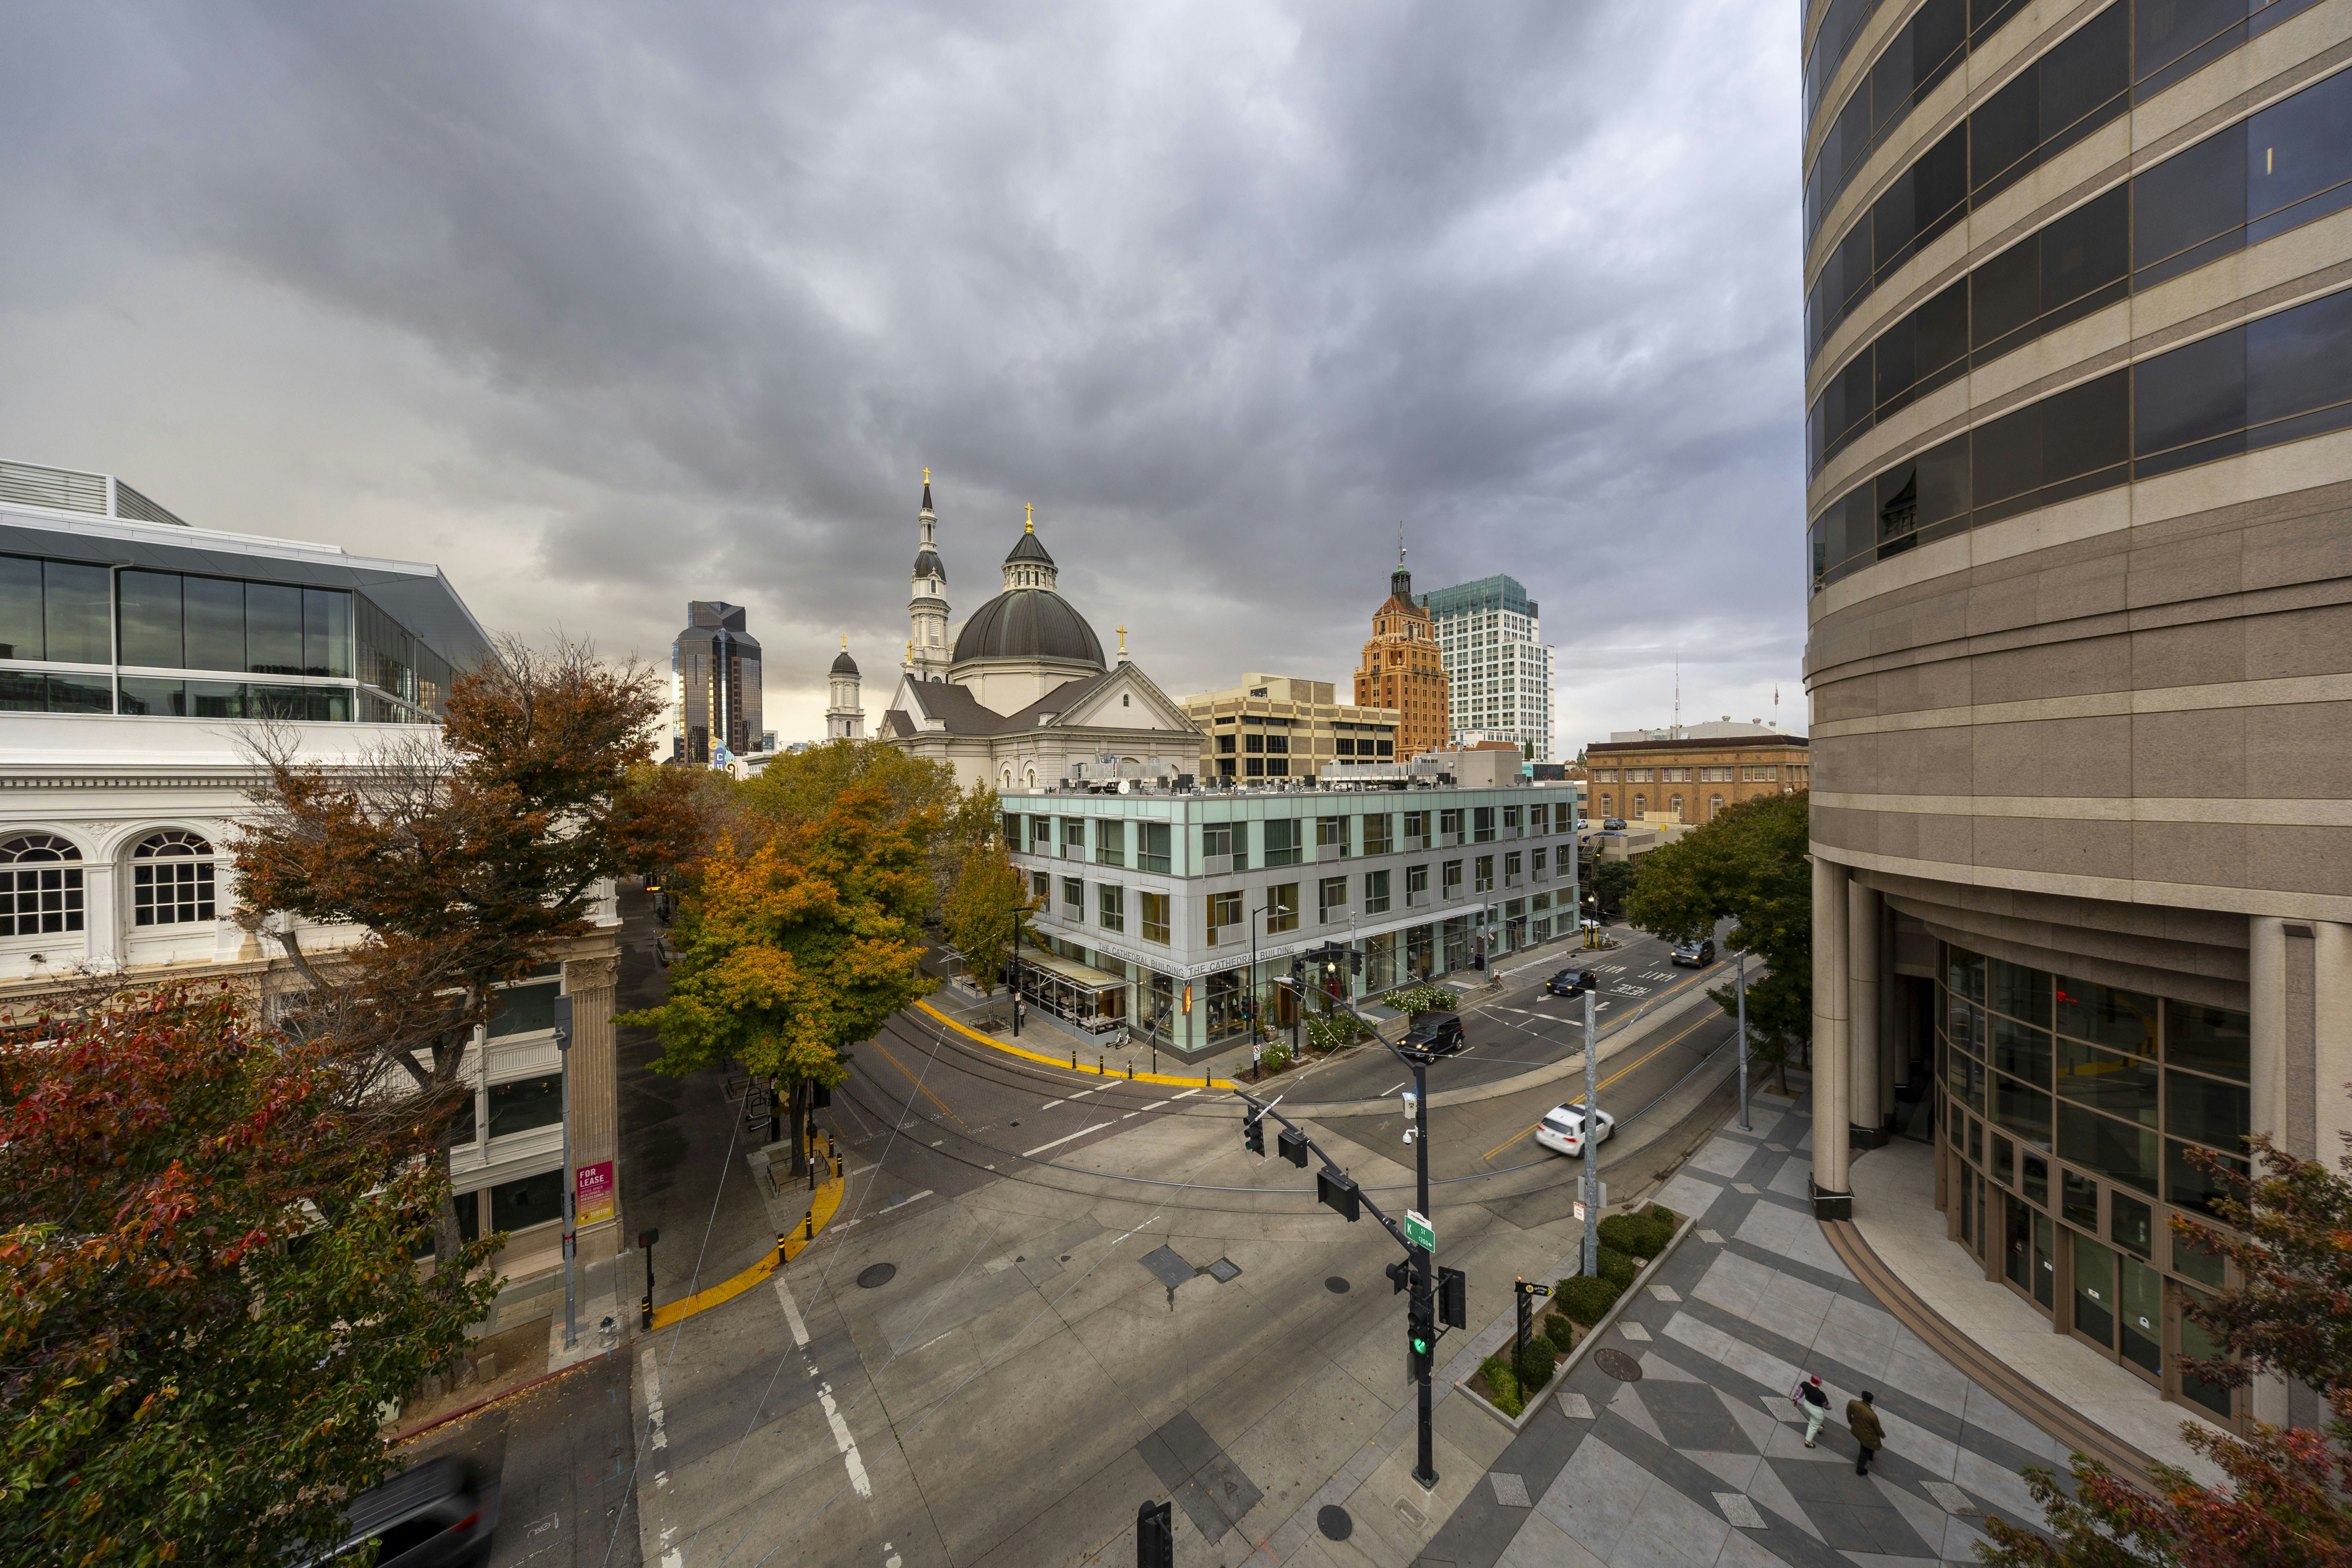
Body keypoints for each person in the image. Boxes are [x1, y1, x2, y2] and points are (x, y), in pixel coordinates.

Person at [1848, 1390, 1884, 1475]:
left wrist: (1851, 1423)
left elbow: (1849, 1414)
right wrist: (1882, 1435)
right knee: (1864, 1452)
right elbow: (1877, 1428)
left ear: (1862, 1396)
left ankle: (1870, 1454)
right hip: (1868, 1436)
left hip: (1858, 1431)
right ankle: (1860, 1470)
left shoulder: (1853, 1403)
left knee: (1865, 1446)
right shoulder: (1872, 1416)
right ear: (1871, 1402)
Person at [1791, 1374, 1830, 1447]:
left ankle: (1820, 1428)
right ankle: (1808, 1442)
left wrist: (1795, 1400)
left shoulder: (1805, 1385)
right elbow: (1828, 1406)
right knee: (1813, 1426)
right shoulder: (1821, 1394)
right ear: (1819, 1384)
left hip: (1807, 1406)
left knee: (1814, 1421)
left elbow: (1799, 1393)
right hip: (1817, 1411)